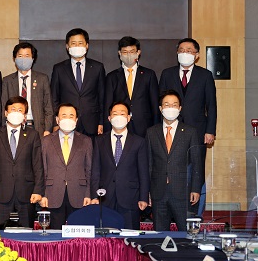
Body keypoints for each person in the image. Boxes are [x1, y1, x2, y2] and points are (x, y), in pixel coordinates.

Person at [158, 38, 217, 214]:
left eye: (189, 50)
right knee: (171, 168)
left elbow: (211, 105)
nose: (185, 53)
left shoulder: (205, 75)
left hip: (197, 131)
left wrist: (210, 131)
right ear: (177, 53)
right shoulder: (167, 74)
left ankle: (195, 212)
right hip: (171, 130)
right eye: (182, 50)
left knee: (196, 169)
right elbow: (159, 103)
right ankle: (170, 208)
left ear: (196, 55)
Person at [146, 90, 203, 231]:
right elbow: (149, 164)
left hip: (183, 192)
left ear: (180, 108)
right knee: (160, 236)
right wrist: (147, 191)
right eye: (167, 104)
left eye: (174, 105)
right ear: (161, 108)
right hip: (158, 193)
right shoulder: (151, 132)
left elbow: (196, 162)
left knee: (186, 235)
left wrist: (196, 188)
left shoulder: (190, 131)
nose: (170, 108)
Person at [90, 101, 149, 230]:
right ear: (109, 118)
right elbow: (95, 170)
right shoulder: (99, 141)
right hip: (105, 198)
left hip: (130, 198)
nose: (119, 117)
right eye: (115, 114)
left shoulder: (139, 142)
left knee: (130, 237)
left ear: (128, 118)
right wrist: (94, 196)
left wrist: (143, 197)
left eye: (122, 114)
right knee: (106, 237)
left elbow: (143, 172)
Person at [0, 96, 44, 228]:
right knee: (1, 232)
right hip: (1, 192)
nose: (16, 113)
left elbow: (38, 165)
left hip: (26, 192)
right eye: (13, 109)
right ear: (5, 112)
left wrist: (38, 190)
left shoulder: (33, 135)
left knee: (27, 232)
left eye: (20, 110)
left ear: (25, 115)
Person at [40, 103, 93, 229]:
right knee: (55, 234)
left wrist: (88, 194)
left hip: (79, 194)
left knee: (77, 235)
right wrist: (43, 194)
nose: (67, 119)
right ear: (57, 119)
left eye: (71, 116)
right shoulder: (46, 141)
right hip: (53, 194)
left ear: (76, 120)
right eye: (64, 116)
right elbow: (43, 169)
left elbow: (89, 169)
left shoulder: (86, 141)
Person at [51, 28, 105, 137]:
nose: (77, 46)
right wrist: (55, 123)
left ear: (87, 45)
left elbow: (102, 97)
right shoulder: (59, 69)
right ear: (67, 46)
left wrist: (101, 122)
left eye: (80, 43)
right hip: (66, 122)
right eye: (73, 43)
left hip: (91, 123)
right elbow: (54, 98)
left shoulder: (97, 67)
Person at [104, 36, 160, 137]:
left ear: (138, 52)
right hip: (119, 125)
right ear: (119, 53)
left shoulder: (149, 74)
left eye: (132, 51)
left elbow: (155, 104)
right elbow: (108, 104)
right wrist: (107, 129)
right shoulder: (112, 76)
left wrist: (156, 128)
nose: (128, 55)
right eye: (125, 52)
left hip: (144, 125)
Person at [1, 42, 54, 137]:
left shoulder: (42, 79)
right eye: (20, 56)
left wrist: (47, 129)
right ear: (15, 58)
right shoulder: (7, 80)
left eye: (27, 56)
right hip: (14, 126)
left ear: (33, 58)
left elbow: (48, 107)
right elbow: (3, 107)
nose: (23, 59)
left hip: (37, 127)